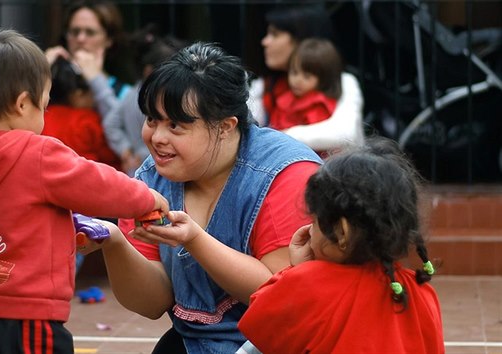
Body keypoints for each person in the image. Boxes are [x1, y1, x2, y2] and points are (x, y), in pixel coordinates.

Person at [82, 42, 323, 353]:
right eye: (152, 120)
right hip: (192, 341)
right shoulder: (148, 180)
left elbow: (281, 292)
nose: (157, 138)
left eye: (175, 126)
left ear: (225, 126)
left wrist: (194, 240)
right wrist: (113, 241)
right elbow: (152, 303)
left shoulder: (287, 174)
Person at [0, 28, 168, 354]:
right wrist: (146, 196)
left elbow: (15, 209)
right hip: (25, 318)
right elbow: (98, 184)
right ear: (21, 104)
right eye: (43, 106)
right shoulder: (36, 153)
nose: (45, 115)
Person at [237, 137, 444, 354]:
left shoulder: (310, 283)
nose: (310, 229)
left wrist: (294, 272)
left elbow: (260, 322)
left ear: (341, 232)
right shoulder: (420, 292)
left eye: (314, 221)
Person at [248, 4, 365, 152]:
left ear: (300, 39)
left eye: (275, 34)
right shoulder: (265, 84)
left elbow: (345, 133)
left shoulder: (343, 81)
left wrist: (278, 137)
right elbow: (245, 128)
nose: (265, 42)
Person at [103, 26, 187, 176]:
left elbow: (110, 123)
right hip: (155, 169)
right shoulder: (154, 99)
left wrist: (126, 150)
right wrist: (137, 153)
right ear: (148, 71)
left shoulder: (131, 94)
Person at [45, 0, 131, 121]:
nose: (80, 39)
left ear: (109, 39)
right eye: (75, 32)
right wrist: (40, 71)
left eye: (90, 32)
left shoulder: (125, 94)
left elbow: (120, 130)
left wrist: (96, 80)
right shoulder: (50, 82)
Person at [43, 57, 121, 170]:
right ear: (78, 95)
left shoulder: (41, 117)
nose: (94, 99)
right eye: (92, 92)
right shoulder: (87, 119)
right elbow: (113, 156)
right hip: (89, 179)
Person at [269, 38, 342, 132]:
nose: (297, 80)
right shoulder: (284, 98)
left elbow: (316, 138)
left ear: (324, 77)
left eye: (307, 76)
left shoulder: (319, 106)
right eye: (294, 72)